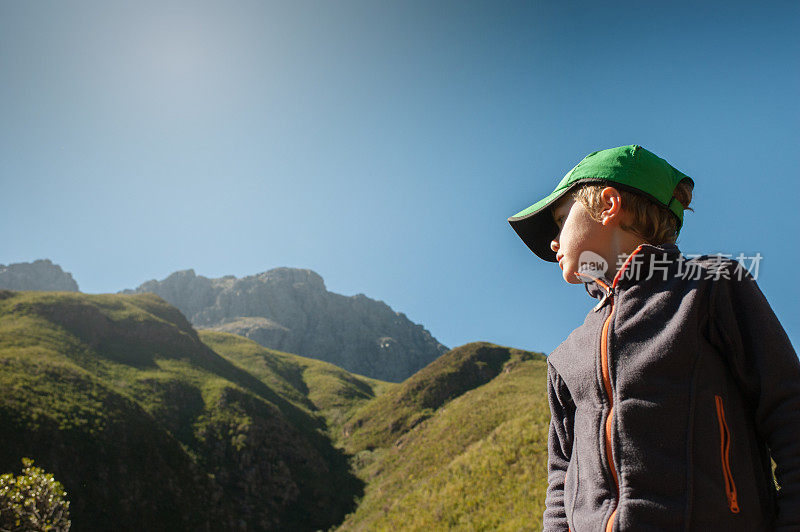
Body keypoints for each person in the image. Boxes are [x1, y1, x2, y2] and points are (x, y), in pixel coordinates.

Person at [507, 145, 800, 531]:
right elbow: (560, 482)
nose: (553, 242)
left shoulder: (710, 287)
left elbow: (788, 410)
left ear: (609, 204)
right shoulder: (567, 355)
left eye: (561, 221)